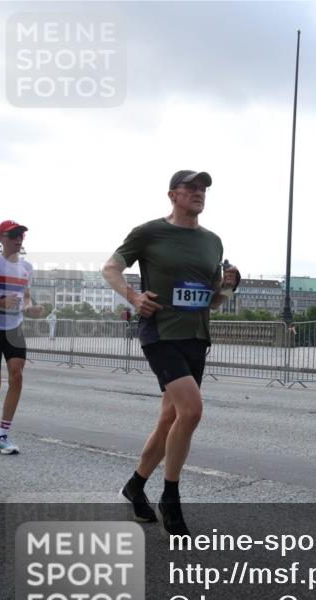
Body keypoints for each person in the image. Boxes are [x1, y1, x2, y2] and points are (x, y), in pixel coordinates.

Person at [102, 170, 240, 536]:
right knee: (191, 411)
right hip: (160, 333)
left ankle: (135, 485)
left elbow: (211, 301)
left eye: (203, 189)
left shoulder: (213, 241)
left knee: (170, 420)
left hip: (196, 335)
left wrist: (228, 287)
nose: (199, 193)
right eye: (191, 188)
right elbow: (111, 267)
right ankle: (171, 496)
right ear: (172, 195)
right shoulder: (149, 232)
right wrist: (133, 296)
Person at [0, 220, 44, 455]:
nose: (18, 239)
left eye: (21, 236)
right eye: (13, 235)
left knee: (17, 374)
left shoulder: (27, 267)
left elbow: (25, 296)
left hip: (14, 328)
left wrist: (30, 308)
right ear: (1, 238)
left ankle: (2, 435)